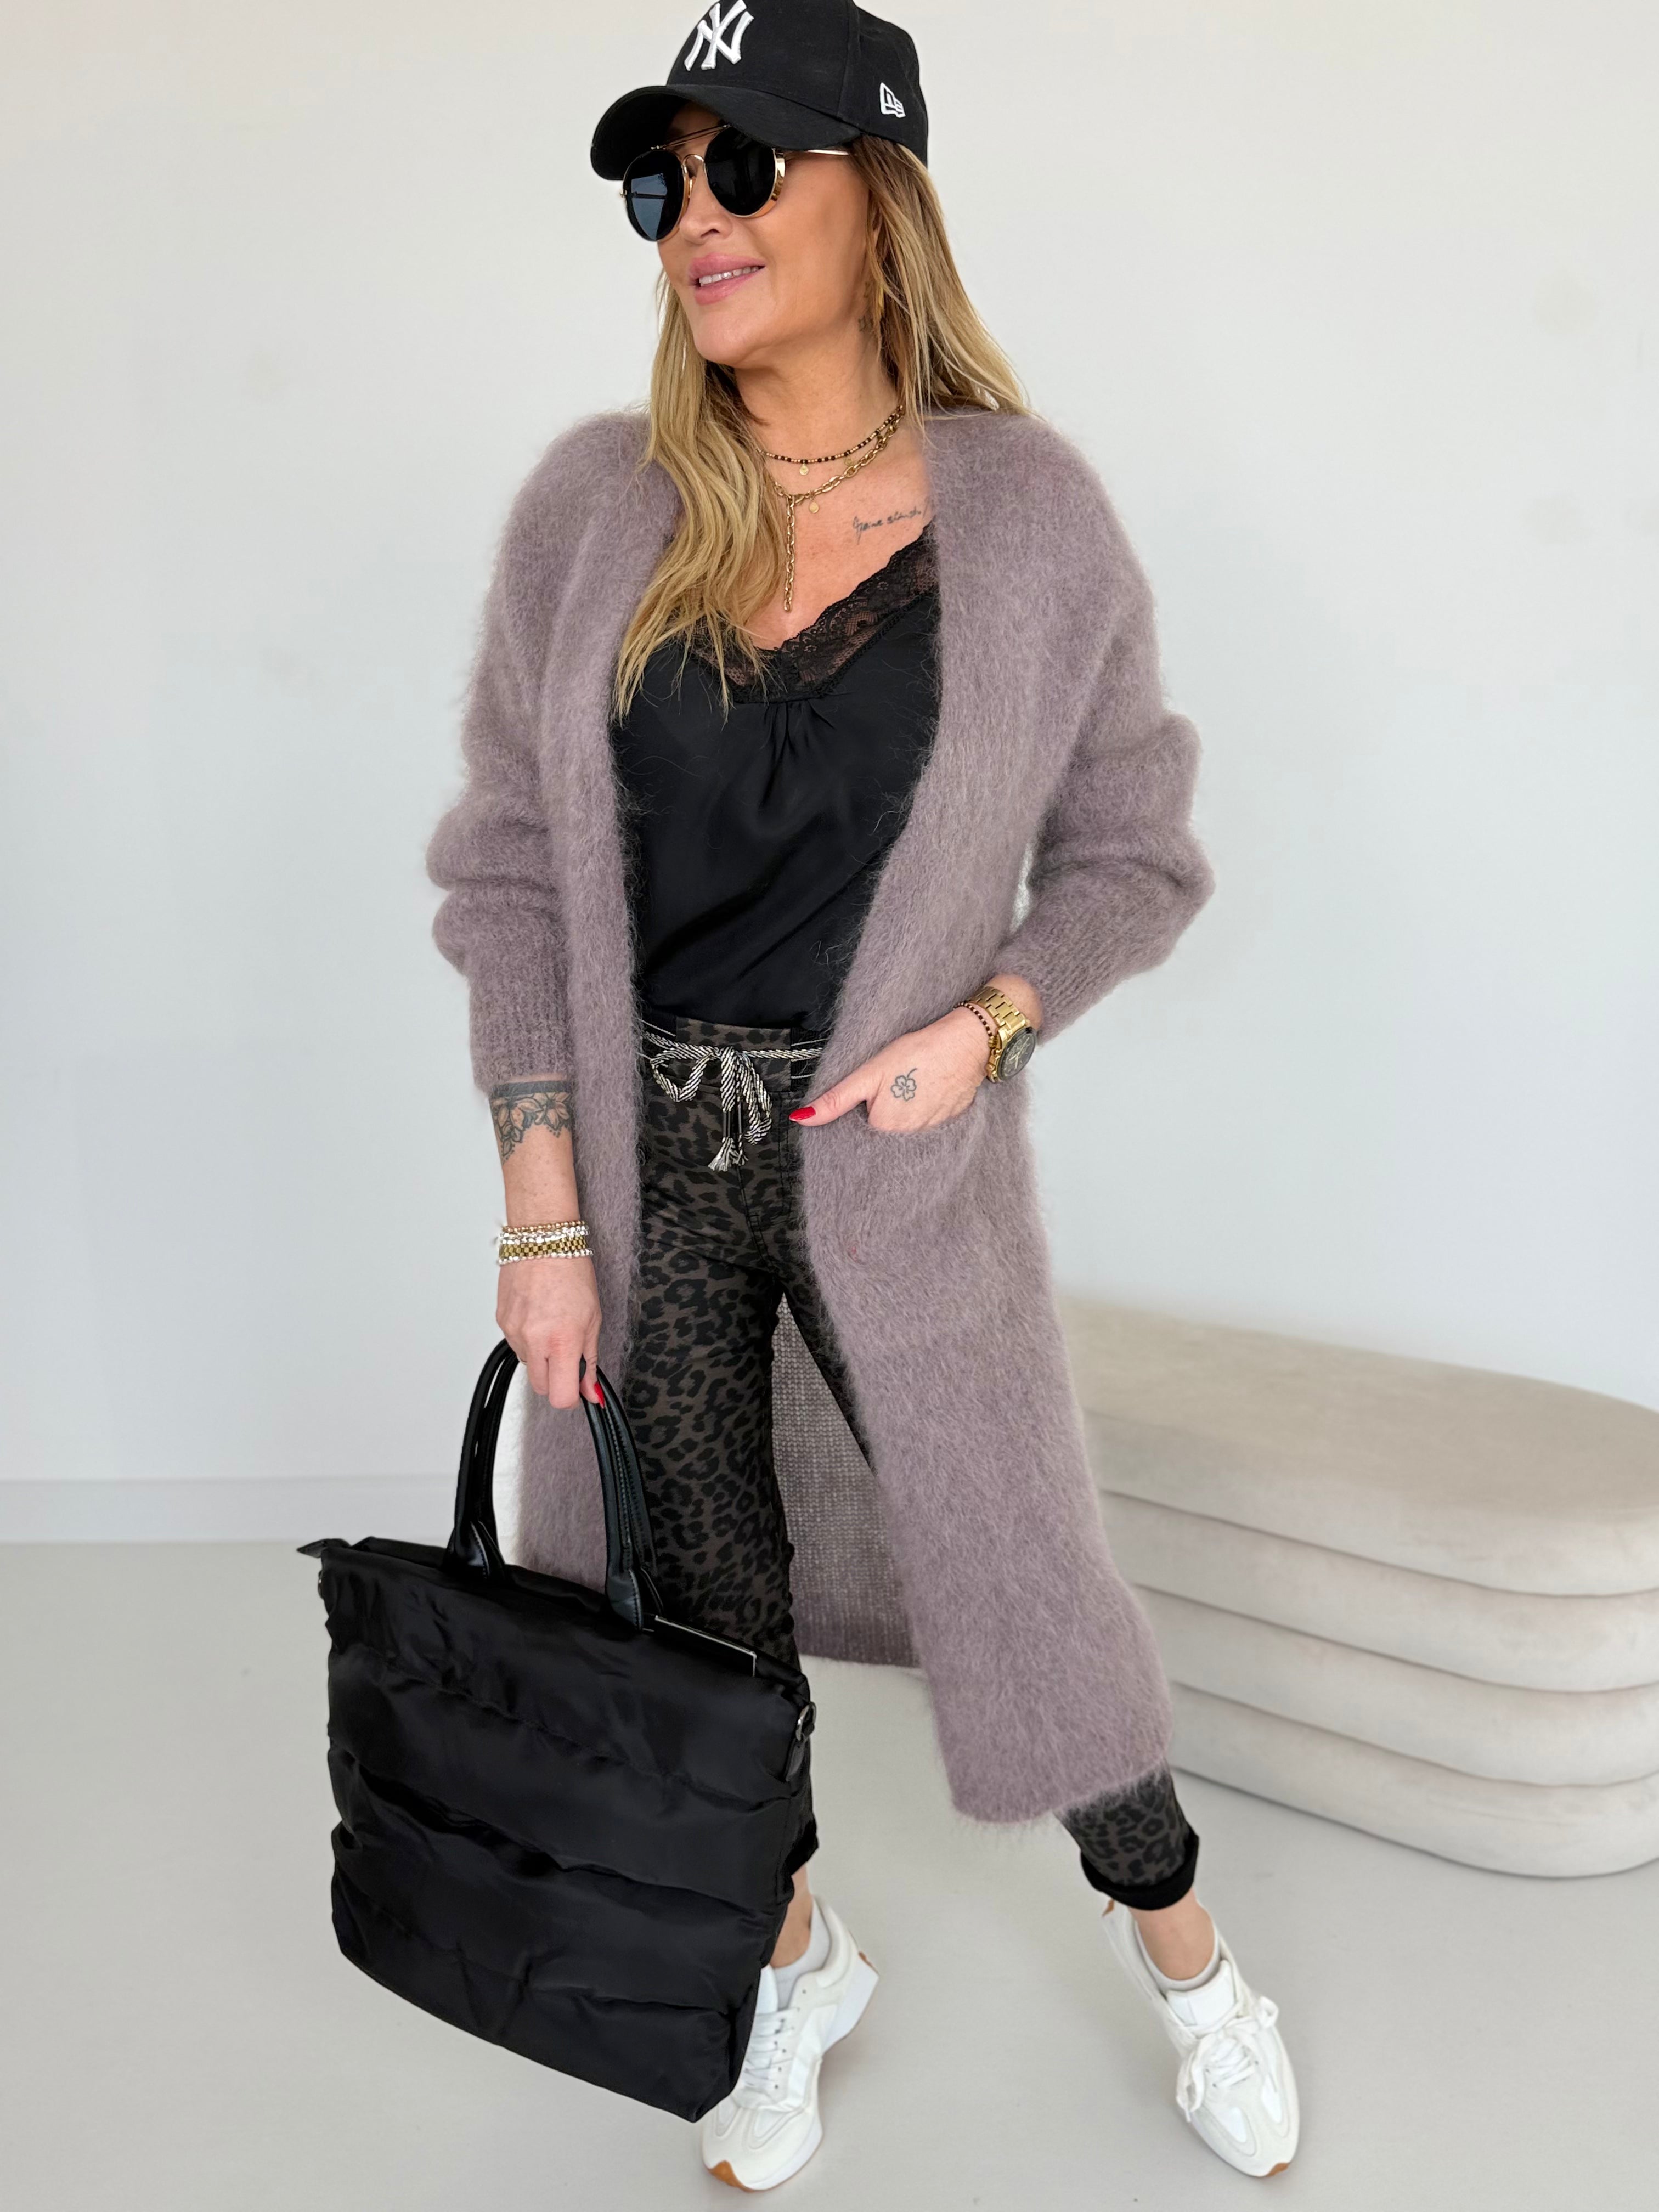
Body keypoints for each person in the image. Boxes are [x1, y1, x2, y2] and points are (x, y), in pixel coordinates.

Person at [426, 0, 1298, 2188]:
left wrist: (984, 1026)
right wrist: (544, 1214)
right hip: (644, 1185)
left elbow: (1134, 856)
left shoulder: (1031, 519)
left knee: (1032, 1603)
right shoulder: (594, 508)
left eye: (744, 167)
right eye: (661, 183)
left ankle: (1196, 1968)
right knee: (704, 1630)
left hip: (891, 1171)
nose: (693, 220)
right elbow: (507, 874)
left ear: (877, 197)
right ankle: (794, 1960)